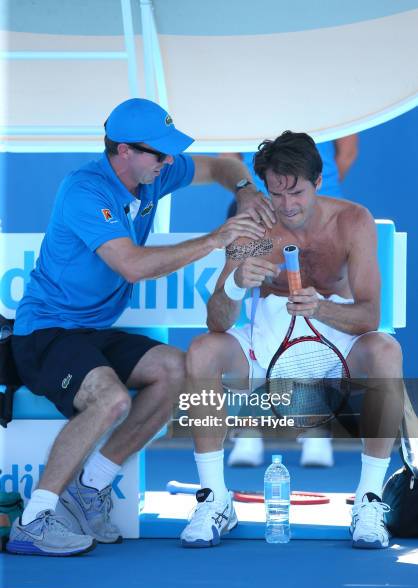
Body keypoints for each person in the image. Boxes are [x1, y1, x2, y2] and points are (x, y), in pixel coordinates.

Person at [6, 98, 275, 557]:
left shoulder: (154, 171)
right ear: (124, 151)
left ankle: (91, 489)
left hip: (89, 332)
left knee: (178, 369)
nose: (169, 161)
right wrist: (215, 240)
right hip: (45, 332)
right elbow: (130, 265)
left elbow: (222, 166)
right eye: (159, 152)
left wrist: (246, 188)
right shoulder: (84, 191)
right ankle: (34, 520)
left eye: (170, 152)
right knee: (109, 399)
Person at [181, 131, 405, 549]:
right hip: (268, 345)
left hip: (337, 344)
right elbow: (216, 322)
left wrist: (320, 308)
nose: (287, 206)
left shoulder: (352, 221)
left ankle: (369, 501)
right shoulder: (258, 231)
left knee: (387, 350)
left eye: (297, 192)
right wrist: (232, 286)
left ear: (319, 182)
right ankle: (214, 499)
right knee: (201, 351)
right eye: (277, 194)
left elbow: (371, 315)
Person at [222, 135, 359, 467]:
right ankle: (249, 427)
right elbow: (228, 154)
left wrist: (303, 197)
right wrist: (266, 195)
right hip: (262, 209)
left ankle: (314, 427)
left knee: (319, 323)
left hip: (319, 206)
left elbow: (347, 150)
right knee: (256, 313)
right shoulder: (242, 90)